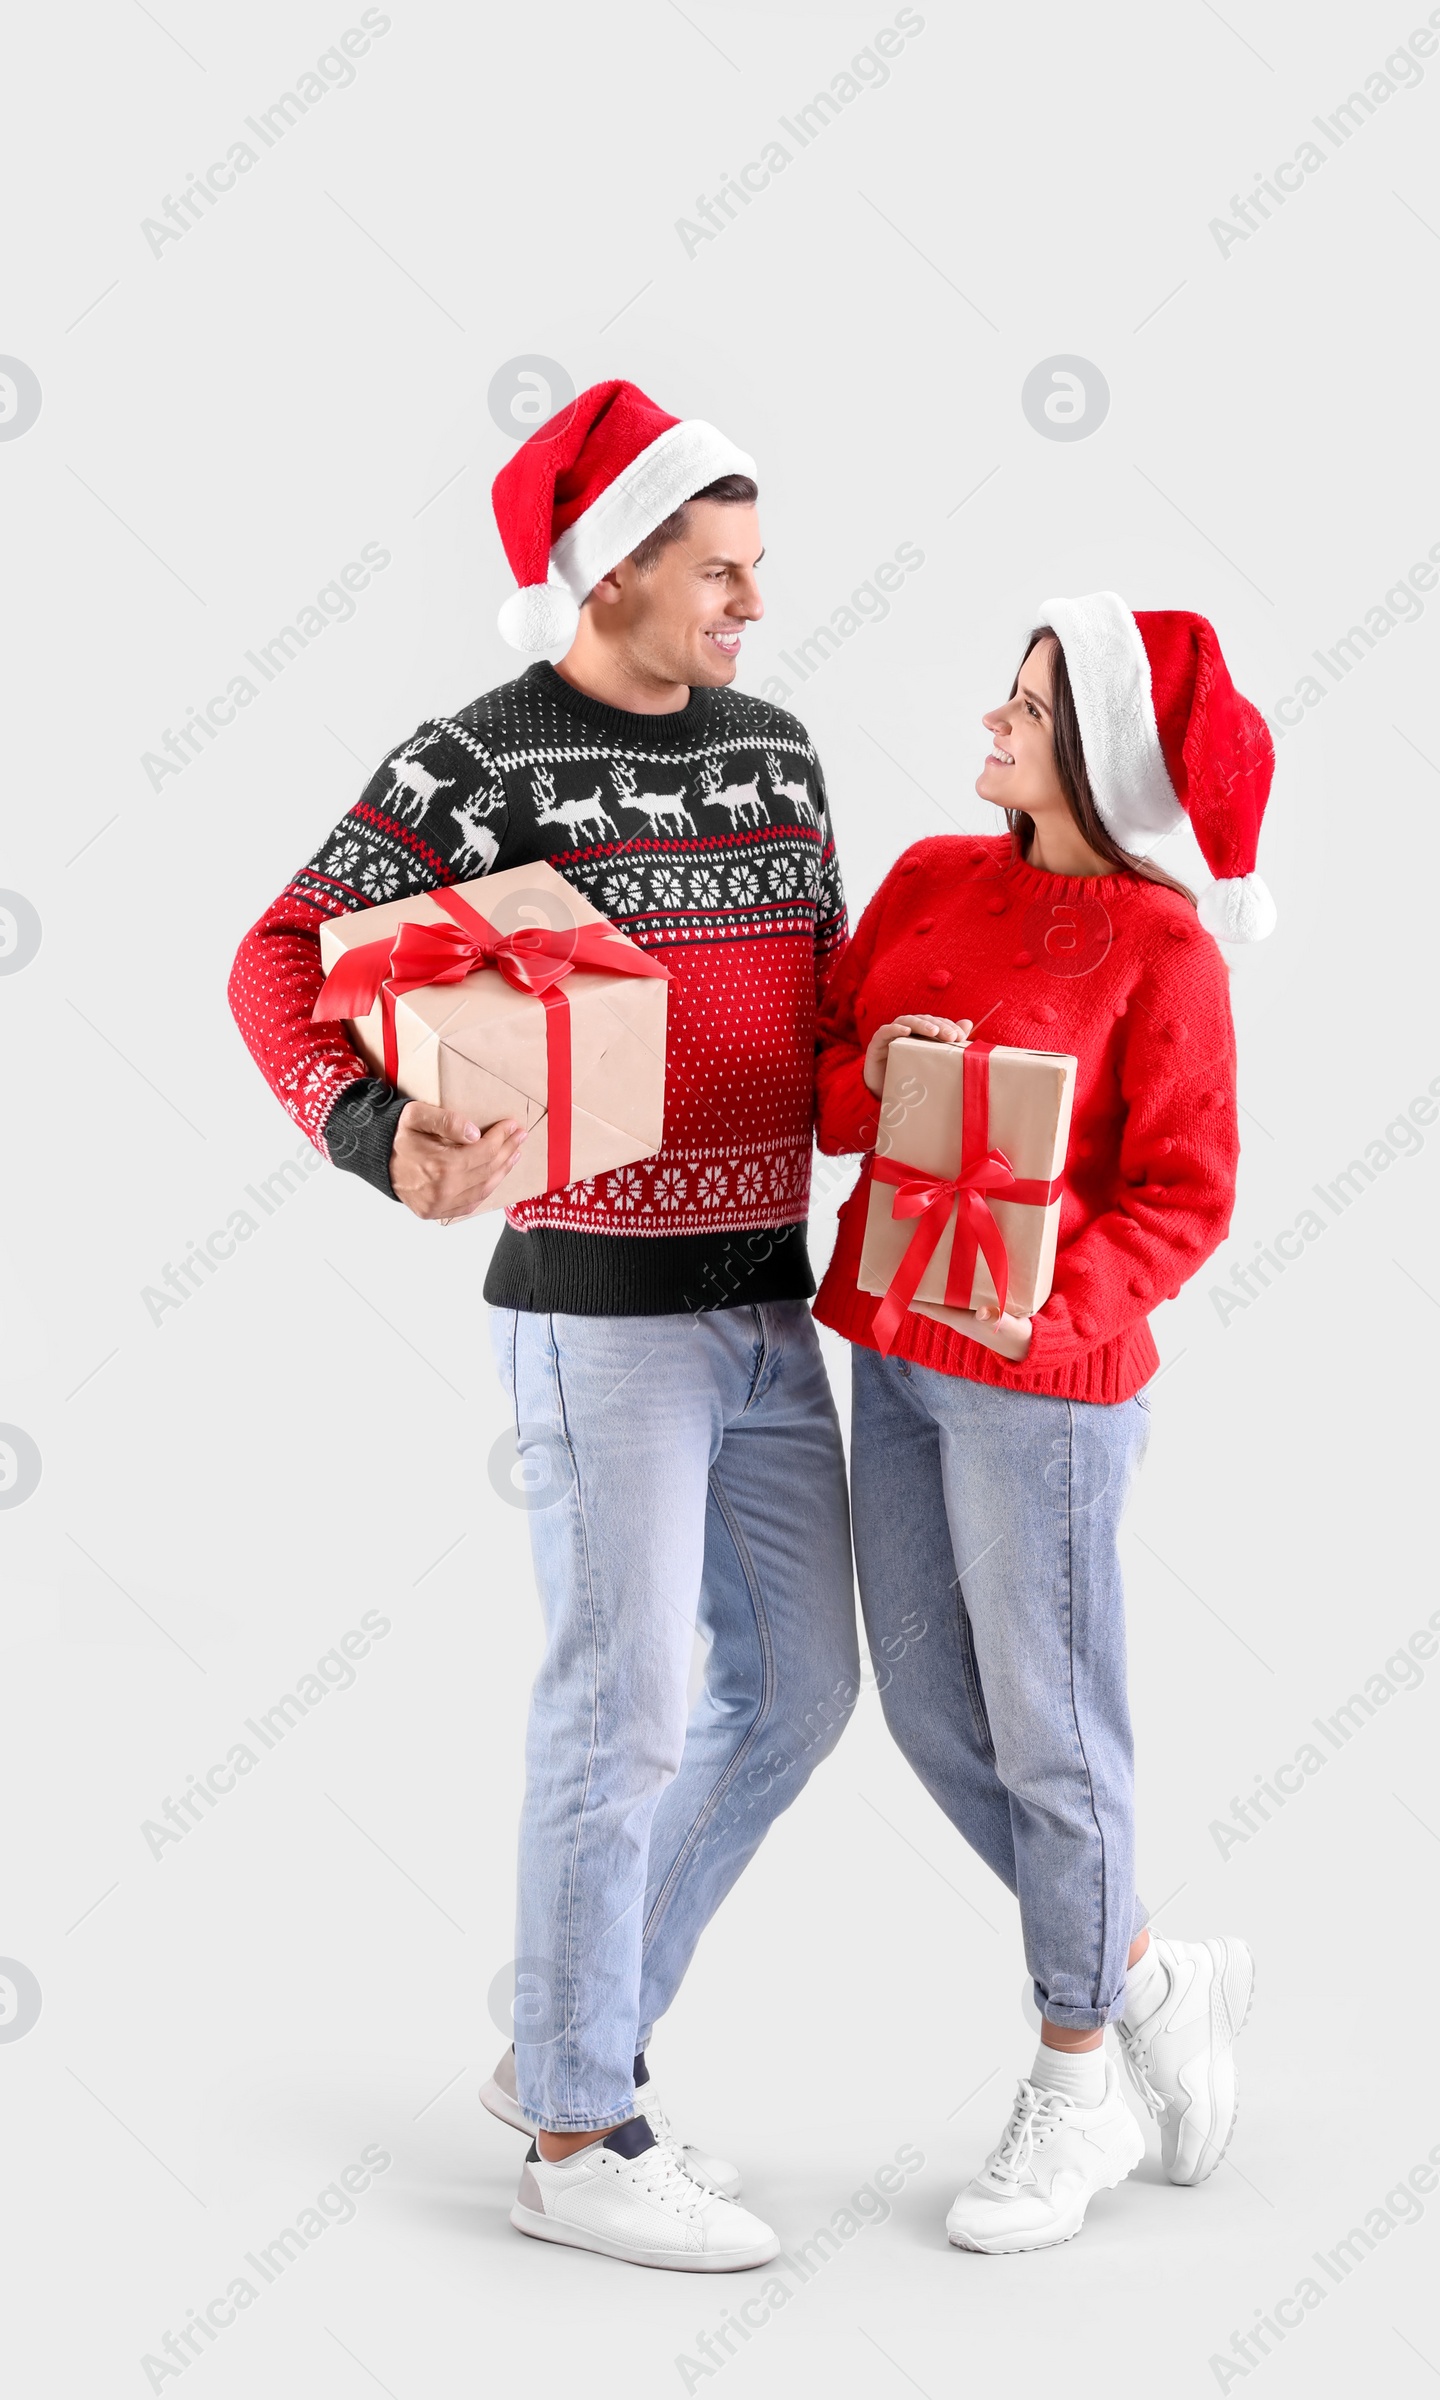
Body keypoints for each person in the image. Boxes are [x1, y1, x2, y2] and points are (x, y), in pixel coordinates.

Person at [229, 380, 859, 2273]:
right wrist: (369, 1128)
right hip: (604, 1323)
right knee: (624, 1708)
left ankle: (556, 2036)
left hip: (771, 1305)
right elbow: (278, 955)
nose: (753, 606)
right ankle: (583, 2134)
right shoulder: (480, 758)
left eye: (759, 571)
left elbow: (808, 1007)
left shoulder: (776, 751)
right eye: (722, 573)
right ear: (615, 566)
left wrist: (905, 1070)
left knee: (802, 1693)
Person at [811, 593, 1275, 2253]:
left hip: (1047, 1397)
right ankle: (1151, 1975)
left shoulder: (1166, 954)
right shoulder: (938, 880)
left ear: (1102, 760)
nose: (993, 725)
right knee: (938, 1718)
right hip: (896, 1345)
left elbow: (1186, 1199)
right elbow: (827, 1081)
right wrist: (892, 1067)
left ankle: (1074, 2084)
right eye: (1006, 695)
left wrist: (1054, 1301)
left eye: (1028, 709)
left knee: (1058, 1740)